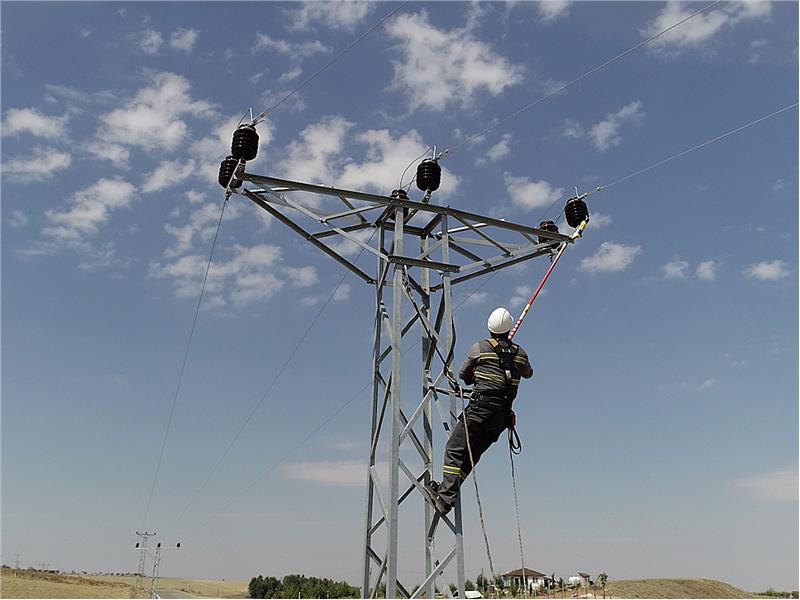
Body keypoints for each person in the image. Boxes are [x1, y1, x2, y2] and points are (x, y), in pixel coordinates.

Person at [428, 307, 533, 515]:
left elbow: (463, 374)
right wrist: (510, 357)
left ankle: (445, 499)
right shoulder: (519, 353)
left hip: (480, 410)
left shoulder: (481, 348)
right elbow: (528, 373)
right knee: (471, 455)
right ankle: (447, 492)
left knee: (454, 449)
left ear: (489, 328)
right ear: (509, 327)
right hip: (501, 418)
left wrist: (478, 372)